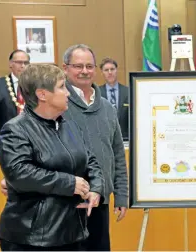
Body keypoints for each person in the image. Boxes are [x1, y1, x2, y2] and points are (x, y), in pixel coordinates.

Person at [0, 44, 128, 251]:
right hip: (34, 232)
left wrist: (97, 187)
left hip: (74, 222)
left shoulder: (68, 124)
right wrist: (70, 183)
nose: (66, 92)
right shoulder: (17, 128)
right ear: (42, 94)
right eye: (61, 87)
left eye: (89, 66)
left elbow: (94, 158)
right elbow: (20, 171)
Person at [62, 45, 128, 251]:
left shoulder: (107, 108)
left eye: (89, 66)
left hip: (101, 201)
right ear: (65, 68)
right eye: (78, 66)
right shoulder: (57, 105)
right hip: (65, 200)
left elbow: (117, 153)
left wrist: (122, 194)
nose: (84, 71)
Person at [0, 49, 29, 151]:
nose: (23, 66)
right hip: (5, 143)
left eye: (26, 63)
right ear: (11, 64)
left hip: (30, 143)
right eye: (19, 62)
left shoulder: (35, 85)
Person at [99, 57, 129, 140]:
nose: (110, 72)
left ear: (116, 71)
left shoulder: (128, 92)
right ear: (102, 73)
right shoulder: (96, 93)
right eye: (106, 70)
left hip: (126, 139)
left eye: (112, 69)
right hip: (104, 139)